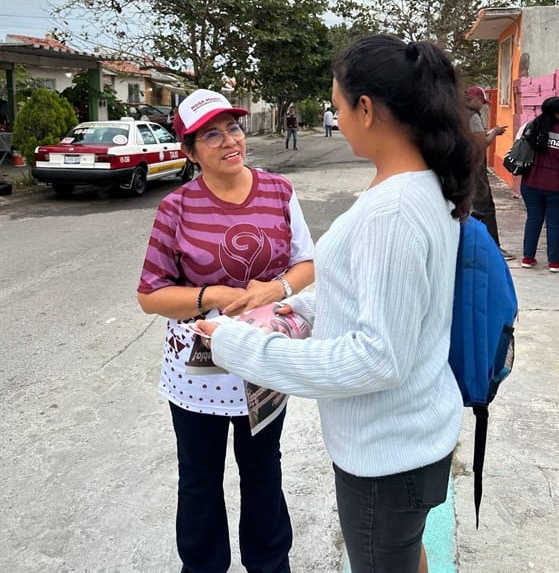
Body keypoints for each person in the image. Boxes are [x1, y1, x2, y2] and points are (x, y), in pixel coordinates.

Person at [195, 36, 478, 573]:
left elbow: (377, 357)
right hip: (408, 438)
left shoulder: (392, 212)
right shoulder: (417, 188)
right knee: (403, 556)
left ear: (365, 109)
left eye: (337, 104)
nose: (335, 116)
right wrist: (299, 309)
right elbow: (375, 294)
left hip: (387, 455)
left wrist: (240, 346)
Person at [136, 88, 315, 573]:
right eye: (210, 135)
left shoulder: (279, 190)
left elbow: (306, 264)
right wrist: (211, 296)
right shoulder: (175, 208)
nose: (229, 141)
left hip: (263, 362)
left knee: (263, 472)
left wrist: (271, 290)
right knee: (198, 478)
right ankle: (201, 566)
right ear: (190, 153)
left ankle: (270, 564)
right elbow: (150, 294)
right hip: (198, 375)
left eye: (232, 128)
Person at [519, 96, 559, 272]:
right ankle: (553, 262)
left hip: (531, 183)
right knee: (554, 223)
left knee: (533, 219)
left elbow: (519, 149)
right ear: (556, 113)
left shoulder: (529, 128)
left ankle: (528, 258)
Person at [464, 85, 515, 260]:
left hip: (459, 165)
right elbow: (481, 144)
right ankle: (494, 247)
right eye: (482, 102)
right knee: (485, 205)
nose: (483, 106)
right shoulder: (472, 117)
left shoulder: (454, 113)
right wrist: (494, 131)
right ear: (475, 99)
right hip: (475, 167)